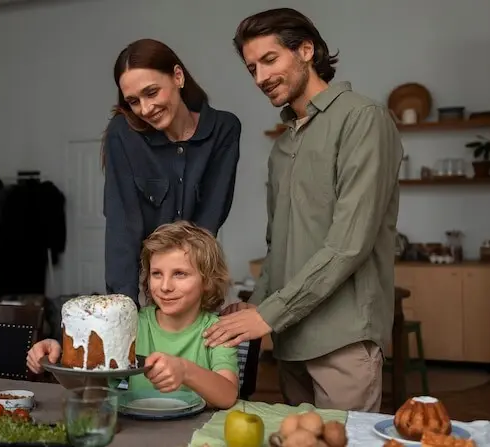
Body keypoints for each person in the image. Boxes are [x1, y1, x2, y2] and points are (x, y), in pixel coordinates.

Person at [203, 8, 403, 412]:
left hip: (342, 338)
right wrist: (257, 303)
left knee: (342, 439)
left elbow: (349, 244)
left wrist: (268, 314)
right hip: (289, 337)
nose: (260, 78)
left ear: (306, 50)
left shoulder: (362, 119)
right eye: (252, 68)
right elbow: (277, 244)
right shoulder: (282, 147)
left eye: (269, 59)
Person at [27, 221, 239, 409]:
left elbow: (228, 396)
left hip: (195, 432)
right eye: (157, 274)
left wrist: (184, 371)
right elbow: (94, 389)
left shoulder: (218, 330)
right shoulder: (132, 325)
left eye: (179, 274)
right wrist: (56, 362)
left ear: (208, 281)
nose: (165, 286)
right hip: (138, 429)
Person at [102, 38, 241, 307]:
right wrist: (125, 307)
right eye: (133, 101)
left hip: (195, 276)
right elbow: (122, 225)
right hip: (145, 281)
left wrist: (184, 286)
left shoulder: (224, 129)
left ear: (178, 76)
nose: (145, 109)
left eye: (152, 92)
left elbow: (210, 217)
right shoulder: (124, 134)